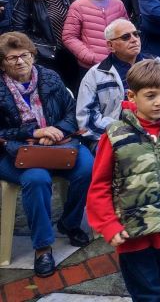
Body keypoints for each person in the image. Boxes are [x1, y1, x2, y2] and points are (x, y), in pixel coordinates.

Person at [87, 59, 160, 301]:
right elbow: (99, 185)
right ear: (132, 96)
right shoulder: (116, 135)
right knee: (147, 294)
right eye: (150, 96)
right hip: (132, 233)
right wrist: (109, 225)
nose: (159, 102)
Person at [0, 32, 93, 277]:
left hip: (58, 144)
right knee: (37, 179)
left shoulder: (50, 76)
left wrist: (57, 130)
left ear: (33, 55)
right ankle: (43, 247)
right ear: (2, 63)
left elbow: (72, 112)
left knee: (87, 167)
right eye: (12, 58)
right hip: (13, 152)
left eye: (25, 55)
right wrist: (33, 132)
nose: (20, 61)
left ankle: (70, 223)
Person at [76, 18, 160, 146]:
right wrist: (125, 133)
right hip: (111, 139)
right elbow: (87, 122)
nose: (134, 39)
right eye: (126, 37)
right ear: (110, 46)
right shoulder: (95, 75)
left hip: (157, 133)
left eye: (136, 34)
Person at [11, 0, 79, 88]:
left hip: (70, 54)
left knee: (71, 92)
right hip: (44, 57)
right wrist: (39, 49)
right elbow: (18, 30)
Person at [62, 0, 129, 70]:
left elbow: (126, 31)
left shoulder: (118, 4)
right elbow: (69, 36)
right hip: (91, 65)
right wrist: (88, 56)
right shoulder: (78, 6)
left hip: (117, 61)